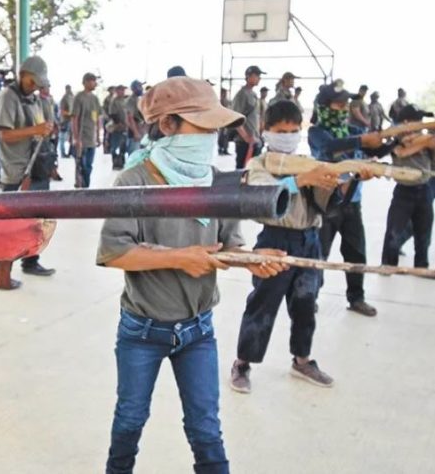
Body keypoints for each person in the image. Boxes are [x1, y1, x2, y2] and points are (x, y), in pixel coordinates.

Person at [97, 77, 286, 474]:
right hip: (142, 332)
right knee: (129, 422)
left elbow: (228, 247)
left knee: (206, 430)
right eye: (204, 127)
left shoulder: (216, 182)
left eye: (216, 128)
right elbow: (114, 252)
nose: (211, 137)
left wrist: (252, 259)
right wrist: (180, 258)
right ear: (167, 126)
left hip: (198, 331)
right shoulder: (135, 181)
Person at [231, 100, 360, 394]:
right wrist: (303, 179)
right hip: (275, 241)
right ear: (266, 131)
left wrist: (345, 181)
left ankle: (302, 360)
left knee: (305, 305)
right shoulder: (260, 164)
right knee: (263, 305)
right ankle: (242, 362)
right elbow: (262, 197)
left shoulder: (310, 162)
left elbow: (325, 204)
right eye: (280, 130)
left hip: (309, 241)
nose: (287, 136)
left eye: (292, 130)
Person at [308, 81, 386, 317]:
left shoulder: (353, 132)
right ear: (323, 106)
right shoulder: (317, 133)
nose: (343, 109)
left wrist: (394, 141)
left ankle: (356, 298)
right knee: (319, 254)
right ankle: (309, 298)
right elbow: (330, 148)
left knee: (356, 252)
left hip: (352, 204)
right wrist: (363, 141)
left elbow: (375, 150)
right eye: (338, 104)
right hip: (325, 203)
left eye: (345, 105)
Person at [0, 56, 56, 288]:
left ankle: (30, 261)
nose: (34, 86)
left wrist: (44, 130)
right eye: (32, 81)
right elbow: (4, 134)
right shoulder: (8, 96)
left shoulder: (35, 100)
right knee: (10, 225)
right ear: (22, 74)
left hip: (36, 167)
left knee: (34, 222)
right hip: (17, 170)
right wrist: (35, 129)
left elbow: (39, 131)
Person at [381, 105, 435, 268]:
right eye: (417, 121)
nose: (421, 124)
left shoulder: (425, 137)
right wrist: (423, 142)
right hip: (404, 191)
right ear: (406, 122)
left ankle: (421, 267)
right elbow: (401, 151)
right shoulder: (393, 136)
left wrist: (423, 141)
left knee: (424, 233)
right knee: (394, 232)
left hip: (424, 188)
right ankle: (388, 266)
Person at [231, 65, 266, 169]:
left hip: (254, 139)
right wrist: (247, 138)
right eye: (257, 75)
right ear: (248, 76)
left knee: (252, 171)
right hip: (244, 142)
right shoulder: (242, 94)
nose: (259, 78)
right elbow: (236, 118)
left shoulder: (254, 94)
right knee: (242, 171)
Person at [71, 72, 102, 188]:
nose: (94, 83)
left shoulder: (95, 99)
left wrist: (98, 136)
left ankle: (86, 186)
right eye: (92, 81)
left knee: (89, 165)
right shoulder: (79, 98)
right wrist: (76, 138)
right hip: (82, 138)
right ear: (85, 82)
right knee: (81, 165)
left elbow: (98, 118)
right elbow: (75, 119)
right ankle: (80, 186)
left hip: (91, 139)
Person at [108, 85, 129, 170]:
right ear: (117, 91)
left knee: (122, 146)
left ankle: (121, 162)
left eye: (123, 90)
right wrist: (119, 123)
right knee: (115, 146)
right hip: (117, 127)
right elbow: (112, 114)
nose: (123, 92)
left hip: (125, 127)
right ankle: (116, 163)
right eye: (121, 90)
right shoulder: (114, 101)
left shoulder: (124, 100)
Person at [126, 80, 146, 155]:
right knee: (134, 156)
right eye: (139, 86)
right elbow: (129, 118)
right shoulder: (130, 100)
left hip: (142, 131)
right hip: (135, 132)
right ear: (133, 89)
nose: (141, 88)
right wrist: (135, 132)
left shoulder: (139, 99)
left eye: (141, 86)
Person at [58, 84, 75, 158]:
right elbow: (62, 111)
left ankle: (71, 152)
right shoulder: (64, 98)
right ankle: (63, 153)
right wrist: (70, 114)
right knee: (62, 138)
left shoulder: (72, 97)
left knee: (72, 137)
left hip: (71, 120)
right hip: (64, 121)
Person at [218, 87, 232, 155]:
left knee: (226, 136)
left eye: (225, 93)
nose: (225, 94)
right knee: (221, 136)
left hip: (227, 121)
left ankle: (225, 149)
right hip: (221, 121)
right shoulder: (219, 101)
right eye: (224, 92)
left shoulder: (227, 101)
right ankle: (220, 149)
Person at [102, 86, 116, 153]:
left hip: (113, 119)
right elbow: (104, 110)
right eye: (112, 90)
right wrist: (107, 117)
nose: (113, 91)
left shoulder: (115, 98)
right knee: (106, 134)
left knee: (112, 135)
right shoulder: (107, 99)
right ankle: (105, 149)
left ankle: (110, 148)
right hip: (107, 119)